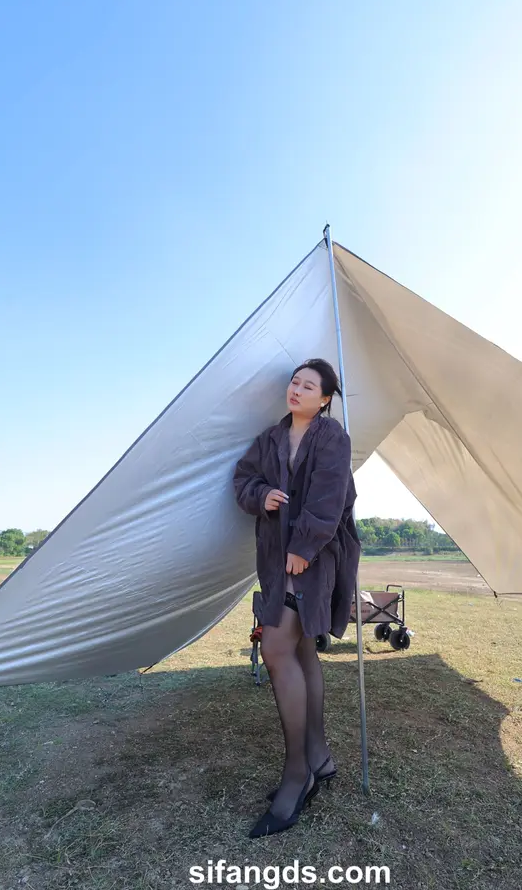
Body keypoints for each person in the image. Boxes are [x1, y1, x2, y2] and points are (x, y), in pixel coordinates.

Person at [233, 358, 361, 838]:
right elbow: (242, 479)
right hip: (275, 558)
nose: (297, 389)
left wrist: (304, 548)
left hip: (314, 556)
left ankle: (297, 774)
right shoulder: (269, 439)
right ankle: (319, 757)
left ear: (324, 399)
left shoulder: (333, 438)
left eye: (309, 386)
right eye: (295, 382)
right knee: (302, 648)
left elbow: (329, 499)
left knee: (275, 647)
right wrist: (260, 494)